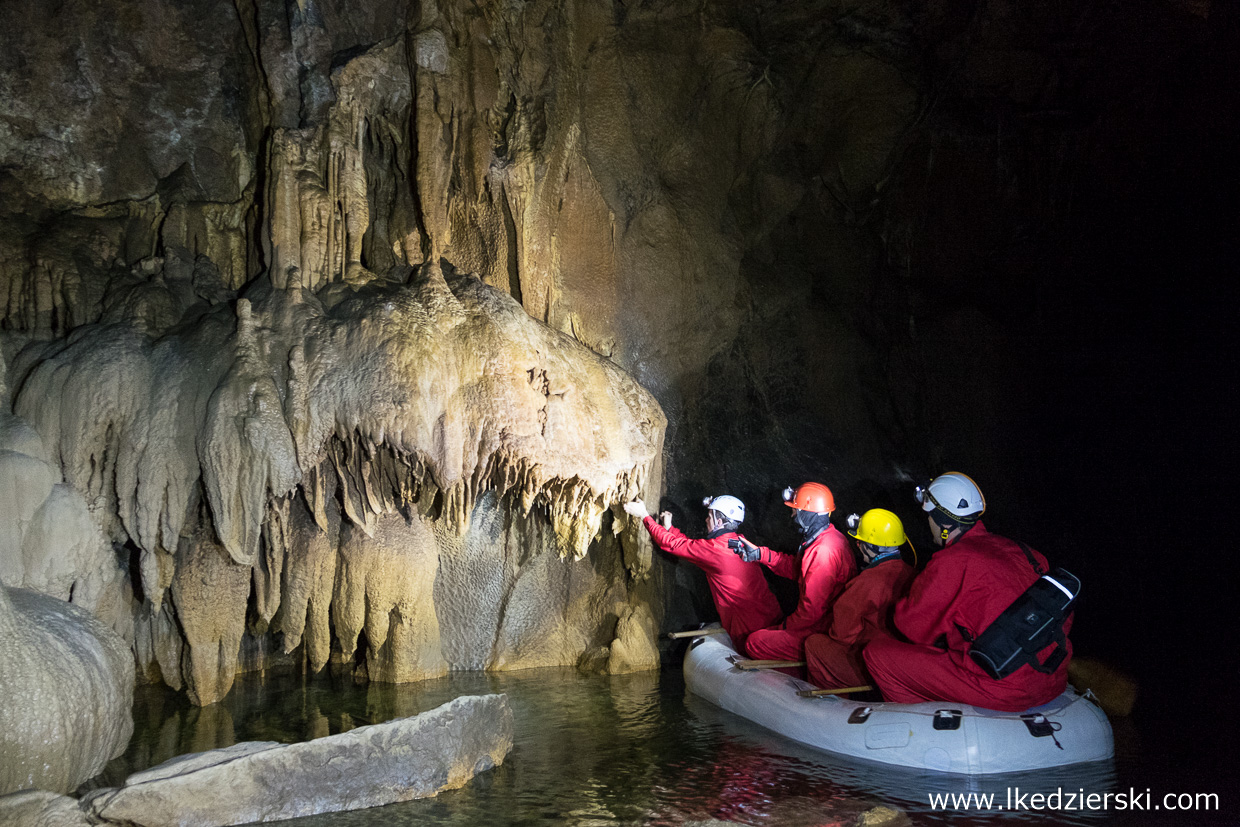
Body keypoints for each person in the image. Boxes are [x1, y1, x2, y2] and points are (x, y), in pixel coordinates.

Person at [863, 472, 1073, 711]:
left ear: (943, 521)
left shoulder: (953, 560)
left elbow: (912, 628)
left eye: (929, 517)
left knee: (876, 654)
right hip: (1050, 678)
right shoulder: (1026, 552)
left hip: (1001, 687)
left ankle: (920, 723)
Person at [624, 494, 782, 652]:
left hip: (749, 630)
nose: (706, 520)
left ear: (719, 522)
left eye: (709, 516)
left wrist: (644, 515)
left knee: (750, 649)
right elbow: (691, 547)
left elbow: (672, 545)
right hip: (770, 618)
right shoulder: (739, 542)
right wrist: (670, 528)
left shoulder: (716, 550)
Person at [731, 482, 857, 663]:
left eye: (795, 510)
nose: (792, 515)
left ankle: (795, 680)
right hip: (821, 622)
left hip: (821, 628)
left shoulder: (823, 552)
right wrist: (760, 554)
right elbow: (798, 569)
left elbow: (811, 611)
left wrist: (785, 627)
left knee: (755, 643)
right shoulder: (829, 537)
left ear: (807, 513)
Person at [803, 508, 916, 692]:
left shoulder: (867, 582)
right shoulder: (912, 574)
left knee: (815, 643)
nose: (858, 545)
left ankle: (827, 702)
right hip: (900, 663)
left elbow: (841, 635)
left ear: (871, 546)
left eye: (860, 541)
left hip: (870, 666)